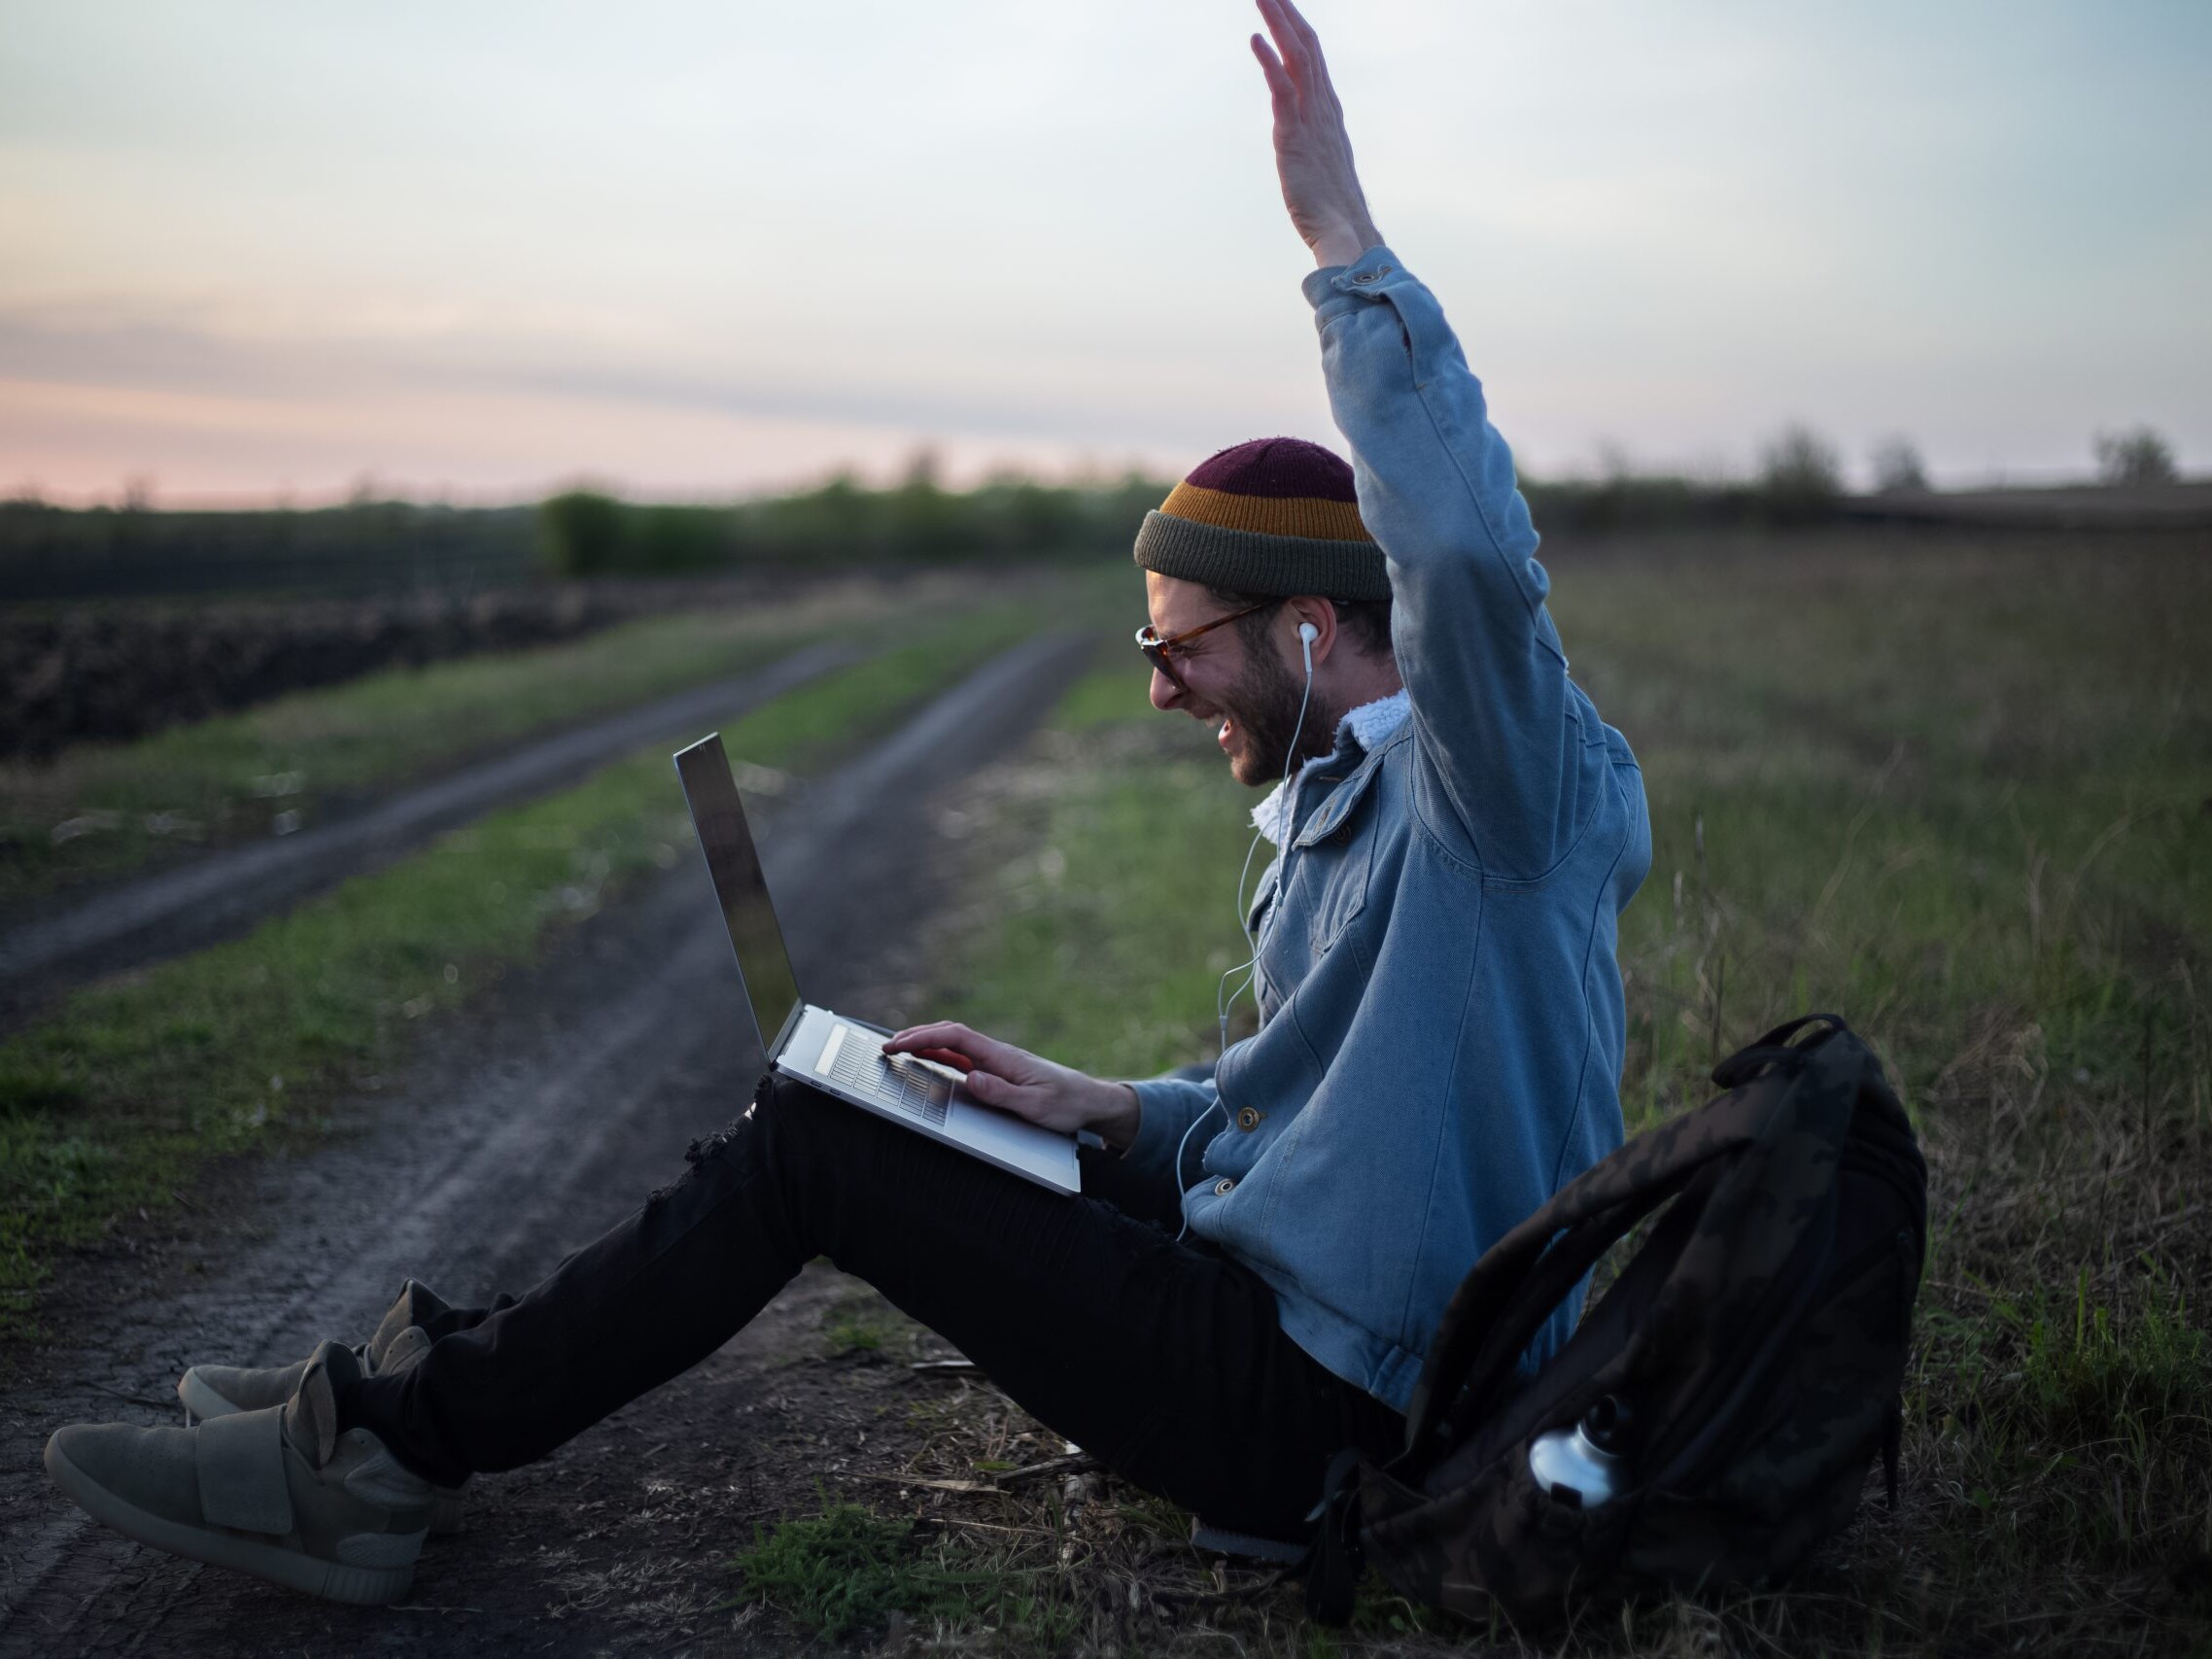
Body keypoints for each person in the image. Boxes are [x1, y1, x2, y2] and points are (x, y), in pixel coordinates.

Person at [43, 0, 1650, 1607]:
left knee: (821, 1149)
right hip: (1294, 1337)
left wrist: (1338, 234)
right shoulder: (1341, 806)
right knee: (875, 1100)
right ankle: (416, 1382)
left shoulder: (1491, 795)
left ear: (1309, 628)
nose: (1156, 689)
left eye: (1179, 649)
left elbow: (1456, 548)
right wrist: (1103, 1107)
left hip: (1356, 1418)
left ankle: (383, 1463)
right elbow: (1329, 1132)